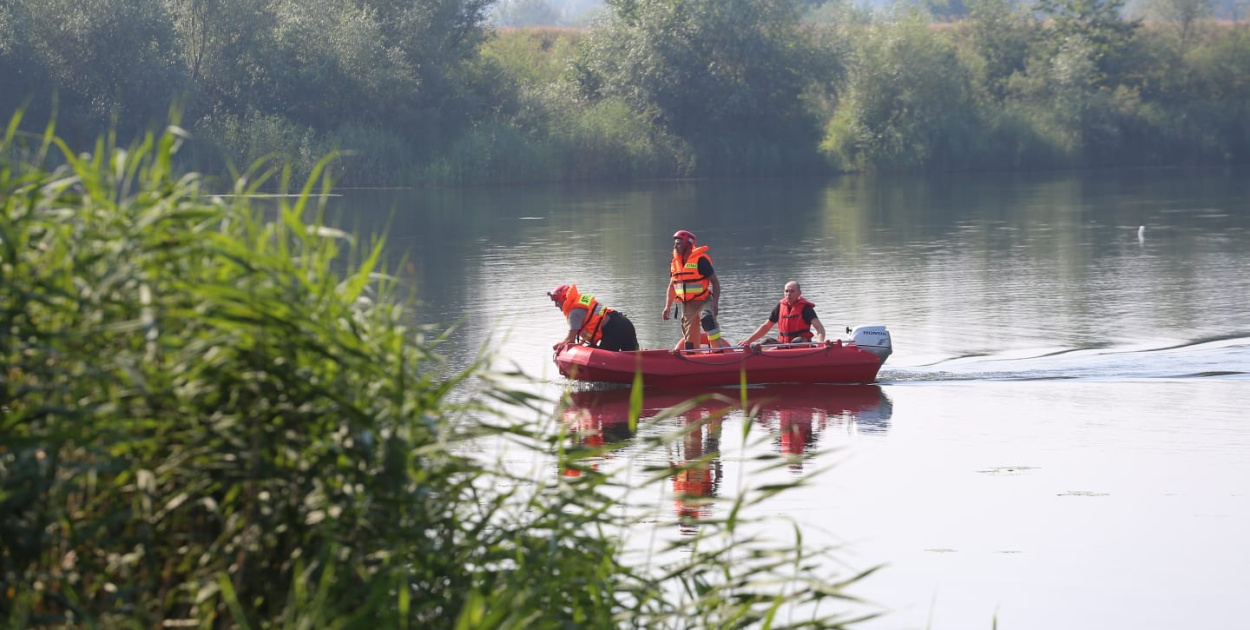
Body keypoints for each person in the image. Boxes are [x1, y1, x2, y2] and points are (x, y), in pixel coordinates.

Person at [663, 230, 729, 350]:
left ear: (688, 244)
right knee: (690, 343)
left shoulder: (701, 261)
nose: (675, 247)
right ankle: (693, 357)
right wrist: (667, 306)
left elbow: (715, 282)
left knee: (707, 319)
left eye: (678, 244)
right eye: (675, 244)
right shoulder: (674, 263)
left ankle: (719, 351)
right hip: (687, 306)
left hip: (704, 301)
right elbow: (672, 286)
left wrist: (715, 303)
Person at [549, 284, 639, 353]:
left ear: (564, 298)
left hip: (614, 329)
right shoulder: (580, 301)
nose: (556, 305)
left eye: (557, 301)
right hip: (624, 322)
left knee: (604, 361)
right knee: (636, 360)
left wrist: (558, 345)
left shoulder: (574, 313)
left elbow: (570, 340)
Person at [738, 281, 827, 346]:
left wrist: (820, 343)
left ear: (799, 293)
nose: (788, 294)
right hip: (784, 344)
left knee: (796, 341)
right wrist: (748, 341)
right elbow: (766, 326)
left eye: (792, 291)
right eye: (786, 291)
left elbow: (819, 328)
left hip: (801, 344)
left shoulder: (806, 309)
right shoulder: (780, 307)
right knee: (767, 342)